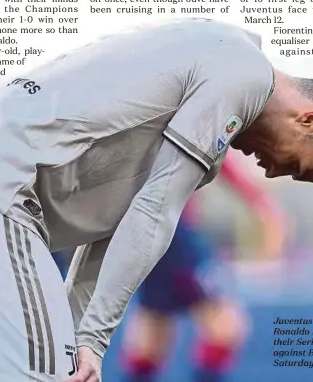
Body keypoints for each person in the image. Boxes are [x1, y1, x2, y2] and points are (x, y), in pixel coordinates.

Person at [0, 18, 313, 382]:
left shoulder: (215, 59)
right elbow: (154, 212)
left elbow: (113, 225)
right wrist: (91, 341)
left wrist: (77, 339)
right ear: (310, 120)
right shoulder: (243, 72)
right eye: (297, 165)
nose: (273, 173)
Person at [120, 149, 287, 382]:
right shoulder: (186, 122)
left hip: (140, 235)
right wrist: (261, 205)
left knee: (153, 332)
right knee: (225, 324)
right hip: (171, 232)